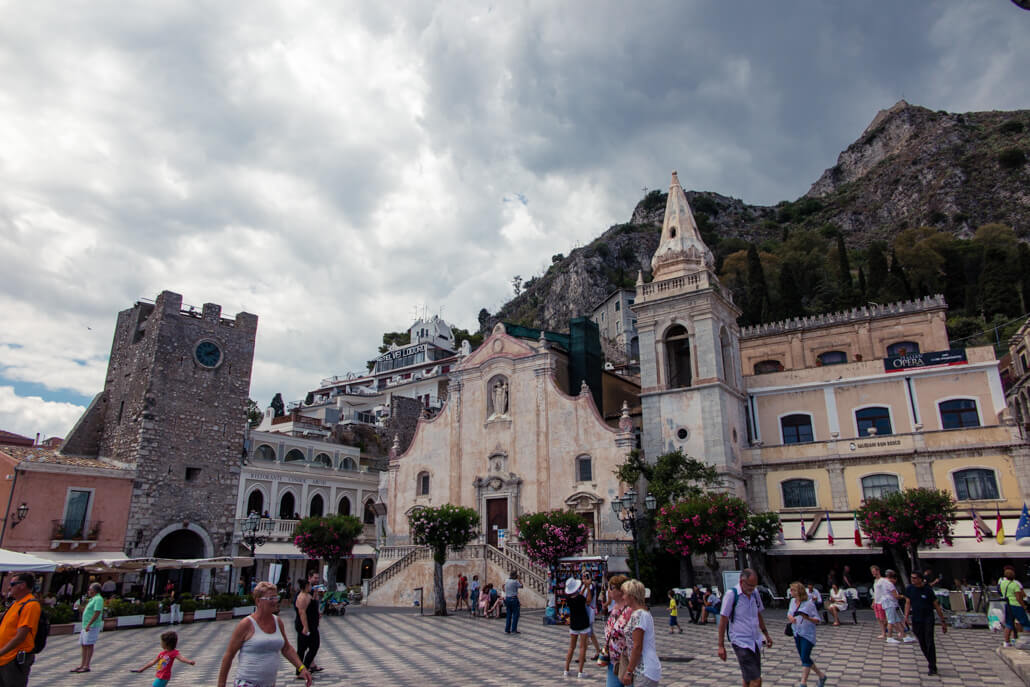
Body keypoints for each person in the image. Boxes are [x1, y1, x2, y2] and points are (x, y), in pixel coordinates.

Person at [217, 581, 312, 687]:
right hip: (247, 683)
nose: (275, 601)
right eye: (270, 598)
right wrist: (221, 684)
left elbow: (286, 648)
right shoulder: (246, 624)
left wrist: (301, 668)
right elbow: (229, 655)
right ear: (258, 601)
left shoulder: (278, 622)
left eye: (276, 597)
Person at [717, 569, 772, 687]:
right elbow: (723, 620)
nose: (752, 588)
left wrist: (766, 634)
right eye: (750, 585)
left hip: (755, 641)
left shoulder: (755, 593)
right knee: (756, 680)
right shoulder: (731, 595)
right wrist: (721, 646)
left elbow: (758, 614)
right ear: (742, 581)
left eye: (754, 585)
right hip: (740, 641)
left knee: (748, 679)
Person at [903, 571, 947, 676]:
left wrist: (942, 621)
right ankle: (930, 660)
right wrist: (906, 616)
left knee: (929, 641)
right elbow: (908, 602)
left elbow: (936, 605)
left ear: (920, 579)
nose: (912, 580)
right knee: (922, 642)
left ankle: (932, 666)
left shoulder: (928, 590)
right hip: (916, 618)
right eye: (911, 578)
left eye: (915, 578)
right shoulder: (910, 589)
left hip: (928, 618)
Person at [0, 572, 40, 687]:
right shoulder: (17, 603)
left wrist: (1, 652)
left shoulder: (30, 605)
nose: (9, 587)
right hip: (4, 658)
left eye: (12, 584)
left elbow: (20, 636)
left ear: (22, 585)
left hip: (14, 659)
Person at [621, 579, 661, 687]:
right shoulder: (642, 613)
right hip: (643, 669)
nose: (623, 597)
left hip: (645, 669)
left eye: (624, 594)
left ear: (632, 596)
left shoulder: (639, 615)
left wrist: (629, 671)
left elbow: (637, 646)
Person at [787, 581, 828, 687]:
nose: (791, 592)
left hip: (807, 634)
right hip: (796, 632)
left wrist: (807, 618)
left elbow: (817, 619)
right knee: (804, 658)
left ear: (798, 591)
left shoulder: (809, 604)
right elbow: (789, 613)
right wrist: (791, 618)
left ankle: (803, 682)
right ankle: (821, 675)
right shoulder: (792, 601)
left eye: (793, 590)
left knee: (805, 656)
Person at [131, 630, 196, 686]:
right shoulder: (162, 654)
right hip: (159, 676)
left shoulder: (174, 653)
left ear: (167, 644)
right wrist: (142, 669)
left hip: (164, 676)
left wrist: (189, 662)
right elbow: (153, 662)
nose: (161, 643)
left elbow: (181, 658)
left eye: (162, 642)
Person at [603, 574, 631, 687]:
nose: (609, 590)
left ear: (621, 590)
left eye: (611, 588)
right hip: (613, 660)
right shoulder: (614, 608)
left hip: (626, 660)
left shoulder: (629, 610)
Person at [72, 581, 105, 673]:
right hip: (85, 625)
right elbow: (88, 611)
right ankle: (82, 664)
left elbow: (97, 612)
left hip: (92, 626)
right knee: (83, 644)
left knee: (89, 645)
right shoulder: (92, 599)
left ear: (94, 590)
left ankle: (86, 665)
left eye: (90, 589)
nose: (88, 591)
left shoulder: (98, 599)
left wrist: (89, 624)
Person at [563, 578, 591, 678]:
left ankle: (566, 669)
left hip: (574, 623)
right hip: (583, 623)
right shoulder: (580, 598)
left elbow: (579, 595)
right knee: (582, 647)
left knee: (571, 647)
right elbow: (588, 600)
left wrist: (583, 588)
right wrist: (588, 587)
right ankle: (580, 671)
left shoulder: (569, 599)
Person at [294, 578, 321, 680]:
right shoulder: (302, 597)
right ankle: (302, 670)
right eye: (309, 585)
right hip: (306, 625)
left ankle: (303, 669)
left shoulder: (308, 595)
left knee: (312, 646)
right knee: (305, 648)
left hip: (312, 624)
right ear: (305, 586)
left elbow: (312, 606)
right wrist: (305, 627)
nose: (311, 587)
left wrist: (315, 595)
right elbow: (302, 612)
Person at [1000, 565, 1028, 647]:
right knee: (1025, 623)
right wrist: (1024, 606)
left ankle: (1006, 642)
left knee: (1009, 624)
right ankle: (1025, 641)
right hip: (1016, 605)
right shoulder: (1015, 584)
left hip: (1007, 605)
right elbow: (1019, 597)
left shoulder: (1002, 583)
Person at [881, 570, 912, 644]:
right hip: (890, 604)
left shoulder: (883, 582)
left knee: (897, 620)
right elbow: (895, 596)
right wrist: (903, 596)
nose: (895, 582)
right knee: (891, 621)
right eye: (895, 580)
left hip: (889, 603)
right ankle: (889, 637)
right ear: (892, 578)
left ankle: (904, 636)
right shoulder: (889, 584)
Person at [582, 571, 602, 659]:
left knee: (589, 633)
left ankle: (598, 651)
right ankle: (584, 655)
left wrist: (588, 586)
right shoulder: (583, 586)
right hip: (583, 611)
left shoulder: (592, 587)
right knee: (586, 634)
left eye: (587, 576)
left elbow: (589, 600)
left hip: (589, 611)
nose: (585, 578)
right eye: (583, 576)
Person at [870, 565, 889, 638]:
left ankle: (888, 629)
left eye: (874, 571)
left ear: (878, 571)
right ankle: (883, 632)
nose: (873, 573)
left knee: (884, 619)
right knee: (878, 618)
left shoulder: (883, 580)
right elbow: (876, 593)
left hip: (882, 601)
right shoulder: (875, 581)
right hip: (876, 601)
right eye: (872, 572)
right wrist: (873, 602)